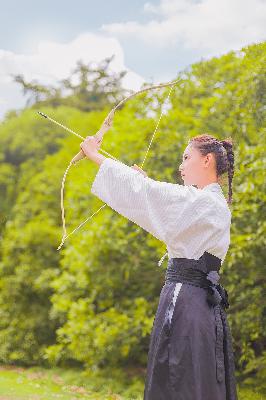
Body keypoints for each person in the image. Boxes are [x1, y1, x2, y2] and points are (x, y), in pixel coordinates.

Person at [80, 133, 238, 400]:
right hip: (193, 302)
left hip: (188, 303)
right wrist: (142, 183)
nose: (182, 165)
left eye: (187, 157)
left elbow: (153, 196)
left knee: (182, 381)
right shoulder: (205, 202)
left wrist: (95, 156)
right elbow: (159, 198)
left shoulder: (206, 202)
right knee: (186, 379)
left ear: (207, 160)